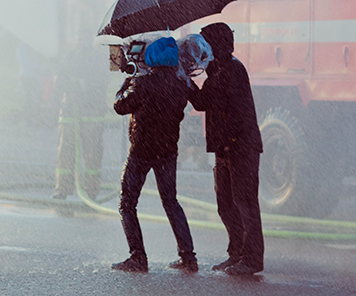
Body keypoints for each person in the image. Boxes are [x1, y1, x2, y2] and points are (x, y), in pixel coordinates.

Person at [111, 37, 197, 273]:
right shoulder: (181, 84)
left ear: (151, 58)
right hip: (168, 151)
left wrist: (128, 80)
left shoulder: (144, 83)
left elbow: (119, 106)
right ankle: (188, 257)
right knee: (171, 202)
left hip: (141, 151)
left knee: (127, 203)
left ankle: (138, 257)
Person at [188, 22, 265, 276]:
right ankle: (237, 254)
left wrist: (185, 79)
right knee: (226, 205)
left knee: (244, 203)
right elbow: (202, 102)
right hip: (226, 149)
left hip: (240, 148)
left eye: (206, 45)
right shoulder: (221, 70)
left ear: (217, 46)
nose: (203, 51)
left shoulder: (231, 71)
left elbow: (206, 100)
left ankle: (252, 259)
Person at [52, 31, 109, 200]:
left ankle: (91, 191)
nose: (80, 40)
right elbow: (59, 81)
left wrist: (79, 86)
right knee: (65, 153)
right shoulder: (68, 57)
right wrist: (71, 86)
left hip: (92, 114)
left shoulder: (98, 59)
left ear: (90, 39)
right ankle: (62, 189)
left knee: (92, 154)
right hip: (69, 113)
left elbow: (101, 80)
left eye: (83, 37)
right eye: (78, 37)